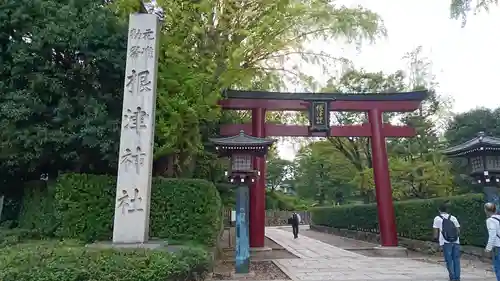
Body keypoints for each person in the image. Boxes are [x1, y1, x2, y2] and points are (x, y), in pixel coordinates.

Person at [433, 202, 461, 281]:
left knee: (449, 260)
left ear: (439, 210)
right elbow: (458, 231)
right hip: (456, 241)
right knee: (456, 260)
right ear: (447, 210)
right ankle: (457, 277)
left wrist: (436, 241)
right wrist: (454, 237)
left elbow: (435, 233)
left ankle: (452, 277)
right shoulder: (453, 217)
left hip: (445, 242)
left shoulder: (437, 218)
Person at [484, 202, 500, 281]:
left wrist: (488, 248)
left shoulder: (490, 220)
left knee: (498, 267)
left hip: (497, 246)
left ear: (487, 211)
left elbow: (492, 235)